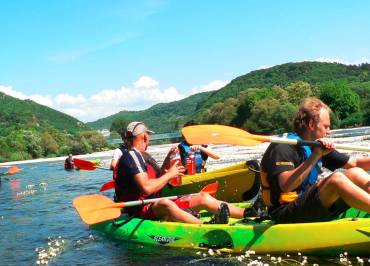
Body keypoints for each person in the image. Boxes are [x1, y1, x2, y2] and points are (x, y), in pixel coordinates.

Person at [260, 97, 370, 224]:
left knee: (355, 172)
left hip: (307, 206)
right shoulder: (283, 146)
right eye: (326, 126)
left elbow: (354, 163)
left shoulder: (316, 146)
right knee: (336, 180)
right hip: (284, 214)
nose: (329, 132)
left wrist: (318, 153)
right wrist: (316, 155)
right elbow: (286, 185)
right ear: (311, 124)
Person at [115, 121, 249, 224]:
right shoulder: (132, 155)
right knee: (165, 203)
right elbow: (147, 188)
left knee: (202, 196)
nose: (149, 138)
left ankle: (247, 213)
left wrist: (168, 159)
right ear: (144, 136)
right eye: (148, 135)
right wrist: (170, 174)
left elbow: (157, 179)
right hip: (140, 209)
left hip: (153, 203)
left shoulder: (145, 156)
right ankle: (204, 226)